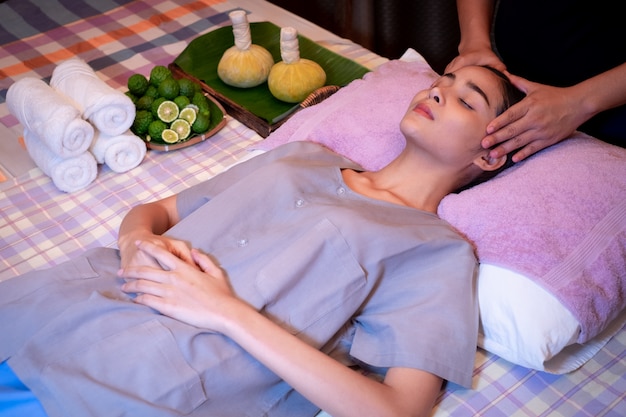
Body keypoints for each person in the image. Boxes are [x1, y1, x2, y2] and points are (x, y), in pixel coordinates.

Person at [0, 65, 524, 417]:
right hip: (75, 298)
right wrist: (136, 239)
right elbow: (157, 211)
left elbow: (399, 408)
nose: (438, 90)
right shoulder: (303, 154)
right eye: (443, 79)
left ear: (490, 153)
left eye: (466, 100)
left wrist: (226, 312)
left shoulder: (438, 252)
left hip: (154, 376)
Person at [446, 0, 626, 163]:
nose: (436, 93)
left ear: (487, 159)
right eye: (442, 83)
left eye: (466, 103)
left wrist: (580, 102)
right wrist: (474, 41)